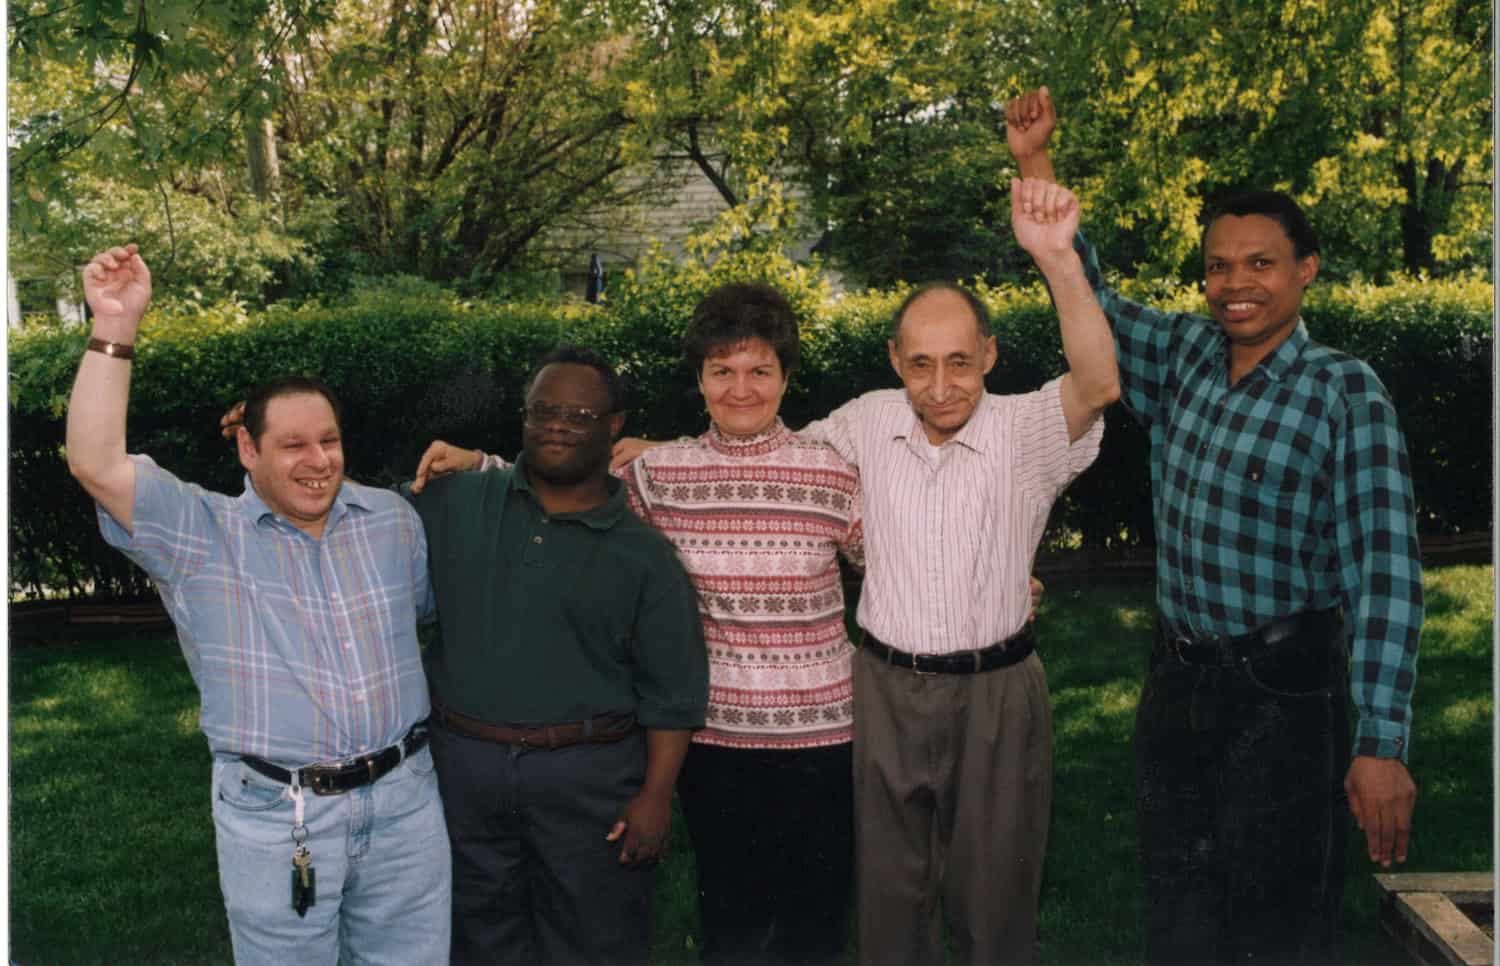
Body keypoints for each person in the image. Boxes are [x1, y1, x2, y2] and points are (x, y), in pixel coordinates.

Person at [1006, 88, 1423, 963]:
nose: (1235, 285)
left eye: (1260, 264)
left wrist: (1382, 743)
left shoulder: (1346, 392)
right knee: (1181, 918)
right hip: (1178, 687)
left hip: (1287, 696)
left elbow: (1384, 574)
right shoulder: (1185, 356)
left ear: (1306, 269)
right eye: (1219, 267)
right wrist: (1035, 165)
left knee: (1278, 930)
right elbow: (1093, 295)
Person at [420, 284, 866, 964]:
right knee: (734, 923)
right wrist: (481, 466)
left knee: (816, 918)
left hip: (824, 737)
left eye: (759, 371)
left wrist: (1000, 584)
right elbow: (567, 486)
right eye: (722, 371)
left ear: (786, 376)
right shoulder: (662, 474)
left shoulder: (833, 474)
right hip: (716, 740)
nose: (740, 388)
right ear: (699, 378)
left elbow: (898, 566)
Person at [66, 245, 450, 965]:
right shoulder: (200, 535)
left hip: (407, 806)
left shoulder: (393, 523)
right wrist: (116, 324)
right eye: (293, 445)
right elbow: (95, 461)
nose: (318, 460)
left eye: (329, 440)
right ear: (247, 448)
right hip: (280, 817)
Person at [404, 345, 709, 966]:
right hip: (465, 769)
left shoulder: (645, 556)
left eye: (580, 414)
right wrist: (288, 441)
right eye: (544, 410)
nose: (559, 424)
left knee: (591, 942)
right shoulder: (459, 501)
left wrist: (655, 798)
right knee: (474, 937)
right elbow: (353, 513)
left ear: (615, 425)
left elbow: (672, 692)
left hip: (587, 779)